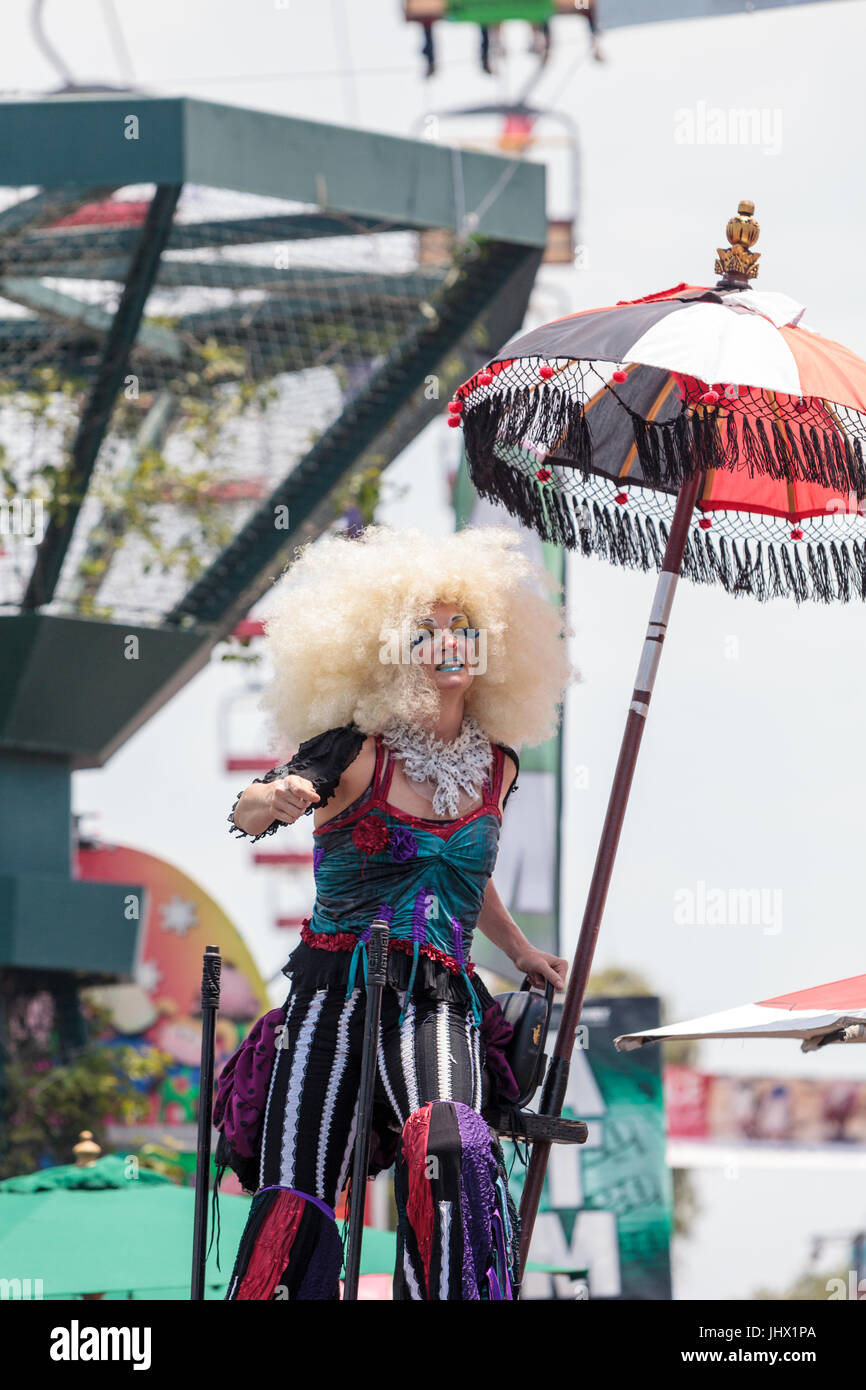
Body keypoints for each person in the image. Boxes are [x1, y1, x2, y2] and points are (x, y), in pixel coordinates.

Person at [221, 525, 574, 1300]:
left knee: (450, 1142)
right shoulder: (352, 749)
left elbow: (463, 873)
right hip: (334, 993)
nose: (449, 643)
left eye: (464, 629)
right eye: (427, 630)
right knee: (297, 1186)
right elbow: (254, 805)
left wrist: (519, 951)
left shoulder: (499, 766)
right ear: (392, 648)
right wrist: (269, 801)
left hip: (439, 997)